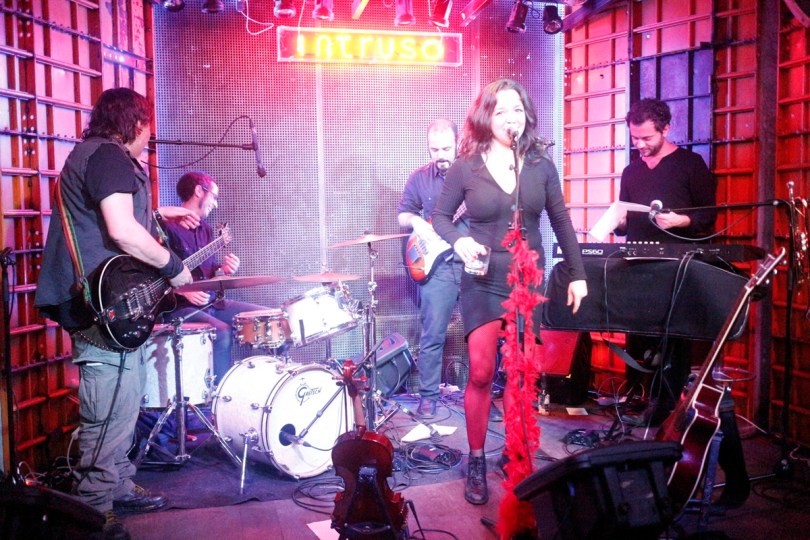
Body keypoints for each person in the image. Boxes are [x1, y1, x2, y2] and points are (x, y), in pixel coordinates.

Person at [35, 88, 198, 540]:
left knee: (124, 402)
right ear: (137, 123)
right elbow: (122, 230)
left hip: (115, 306)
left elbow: (105, 212)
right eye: (148, 128)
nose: (150, 139)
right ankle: (93, 510)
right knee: (107, 409)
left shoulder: (97, 156)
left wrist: (160, 211)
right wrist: (173, 267)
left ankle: (117, 484)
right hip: (101, 309)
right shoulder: (108, 156)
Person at [432, 79, 588, 505]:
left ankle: (517, 455)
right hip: (483, 279)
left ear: (526, 115)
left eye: (516, 109)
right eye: (500, 110)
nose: (510, 118)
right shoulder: (466, 166)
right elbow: (440, 217)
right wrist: (458, 241)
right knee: (482, 371)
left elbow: (561, 220)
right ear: (486, 117)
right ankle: (476, 458)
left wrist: (577, 273)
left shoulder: (539, 164)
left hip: (526, 280)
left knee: (521, 374)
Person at [615, 97, 749, 510]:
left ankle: (697, 460)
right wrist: (617, 223)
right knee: (652, 357)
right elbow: (627, 221)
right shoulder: (632, 171)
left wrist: (682, 221)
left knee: (683, 366)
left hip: (685, 271)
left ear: (666, 129)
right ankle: (661, 438)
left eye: (647, 138)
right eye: (635, 138)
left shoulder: (690, 165)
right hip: (644, 272)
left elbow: (708, 215)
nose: (640, 145)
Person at [162, 170, 272, 382]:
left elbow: (209, 272)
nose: (216, 204)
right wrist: (181, 291)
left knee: (268, 318)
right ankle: (220, 396)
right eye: (213, 196)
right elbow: (154, 272)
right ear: (198, 191)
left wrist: (224, 270)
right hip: (181, 308)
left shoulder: (206, 229)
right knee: (221, 332)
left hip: (214, 303)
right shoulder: (167, 227)